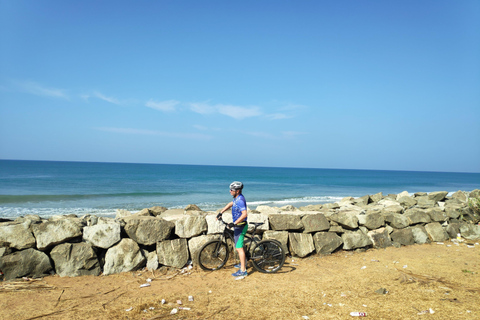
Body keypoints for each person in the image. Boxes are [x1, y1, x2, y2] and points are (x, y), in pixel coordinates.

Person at [217, 181, 248, 277]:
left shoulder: (240, 200)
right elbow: (231, 204)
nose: (230, 191)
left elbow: (244, 214)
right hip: (238, 226)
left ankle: (243, 271)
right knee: (239, 246)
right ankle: (243, 263)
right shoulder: (236, 198)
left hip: (241, 227)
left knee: (239, 248)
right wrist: (221, 212)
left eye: (232, 190)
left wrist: (234, 223)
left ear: (237, 191)